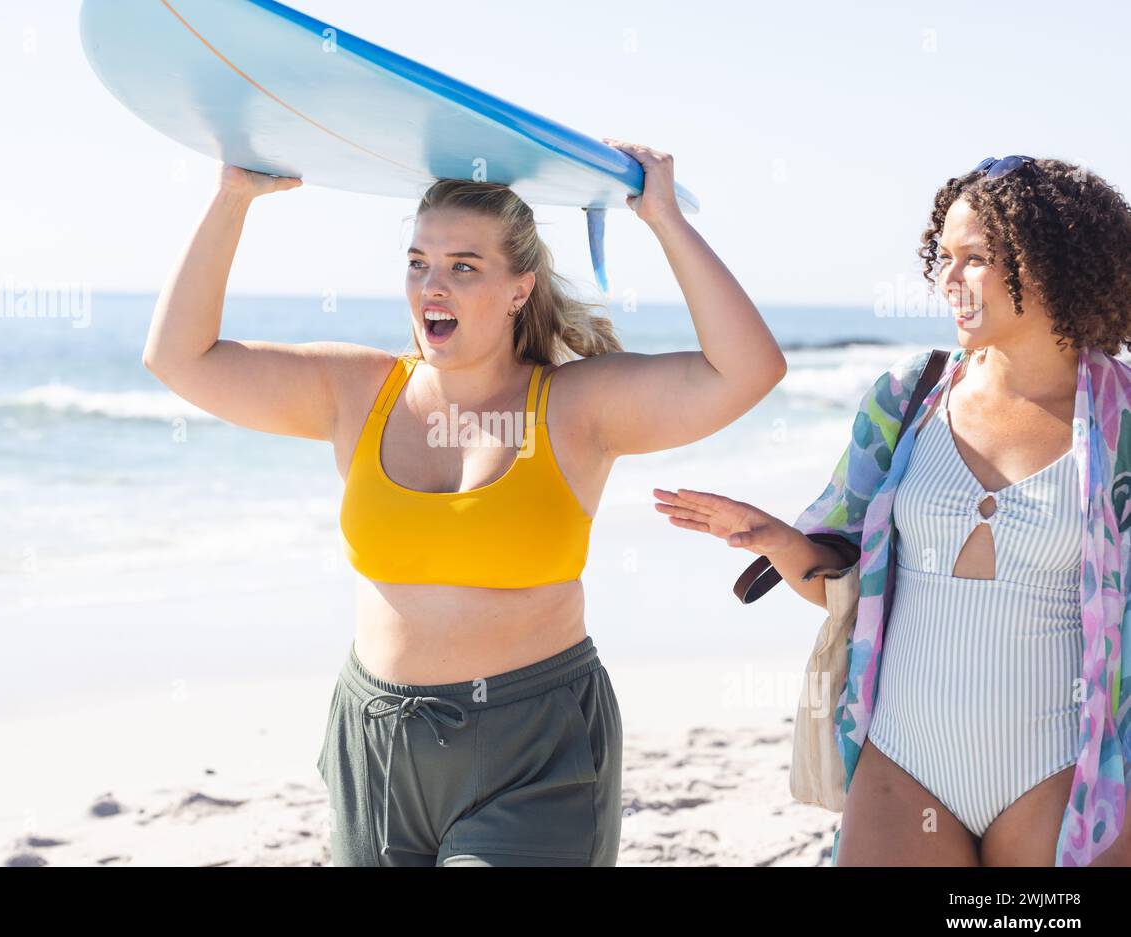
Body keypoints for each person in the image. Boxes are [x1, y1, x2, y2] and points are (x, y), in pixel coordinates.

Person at [142, 139, 787, 865]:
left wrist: (662, 218)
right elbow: (179, 357)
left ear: (520, 288)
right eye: (418, 263)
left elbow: (748, 369)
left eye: (463, 267)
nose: (431, 288)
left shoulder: (577, 406)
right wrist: (232, 198)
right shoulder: (356, 390)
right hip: (376, 740)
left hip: (531, 747)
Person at [655, 156, 1131, 866]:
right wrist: (778, 539)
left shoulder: (1119, 423)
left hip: (1063, 768)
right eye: (943, 257)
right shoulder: (910, 398)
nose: (948, 279)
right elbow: (844, 591)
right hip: (905, 763)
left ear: (1050, 262)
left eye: (975, 259)